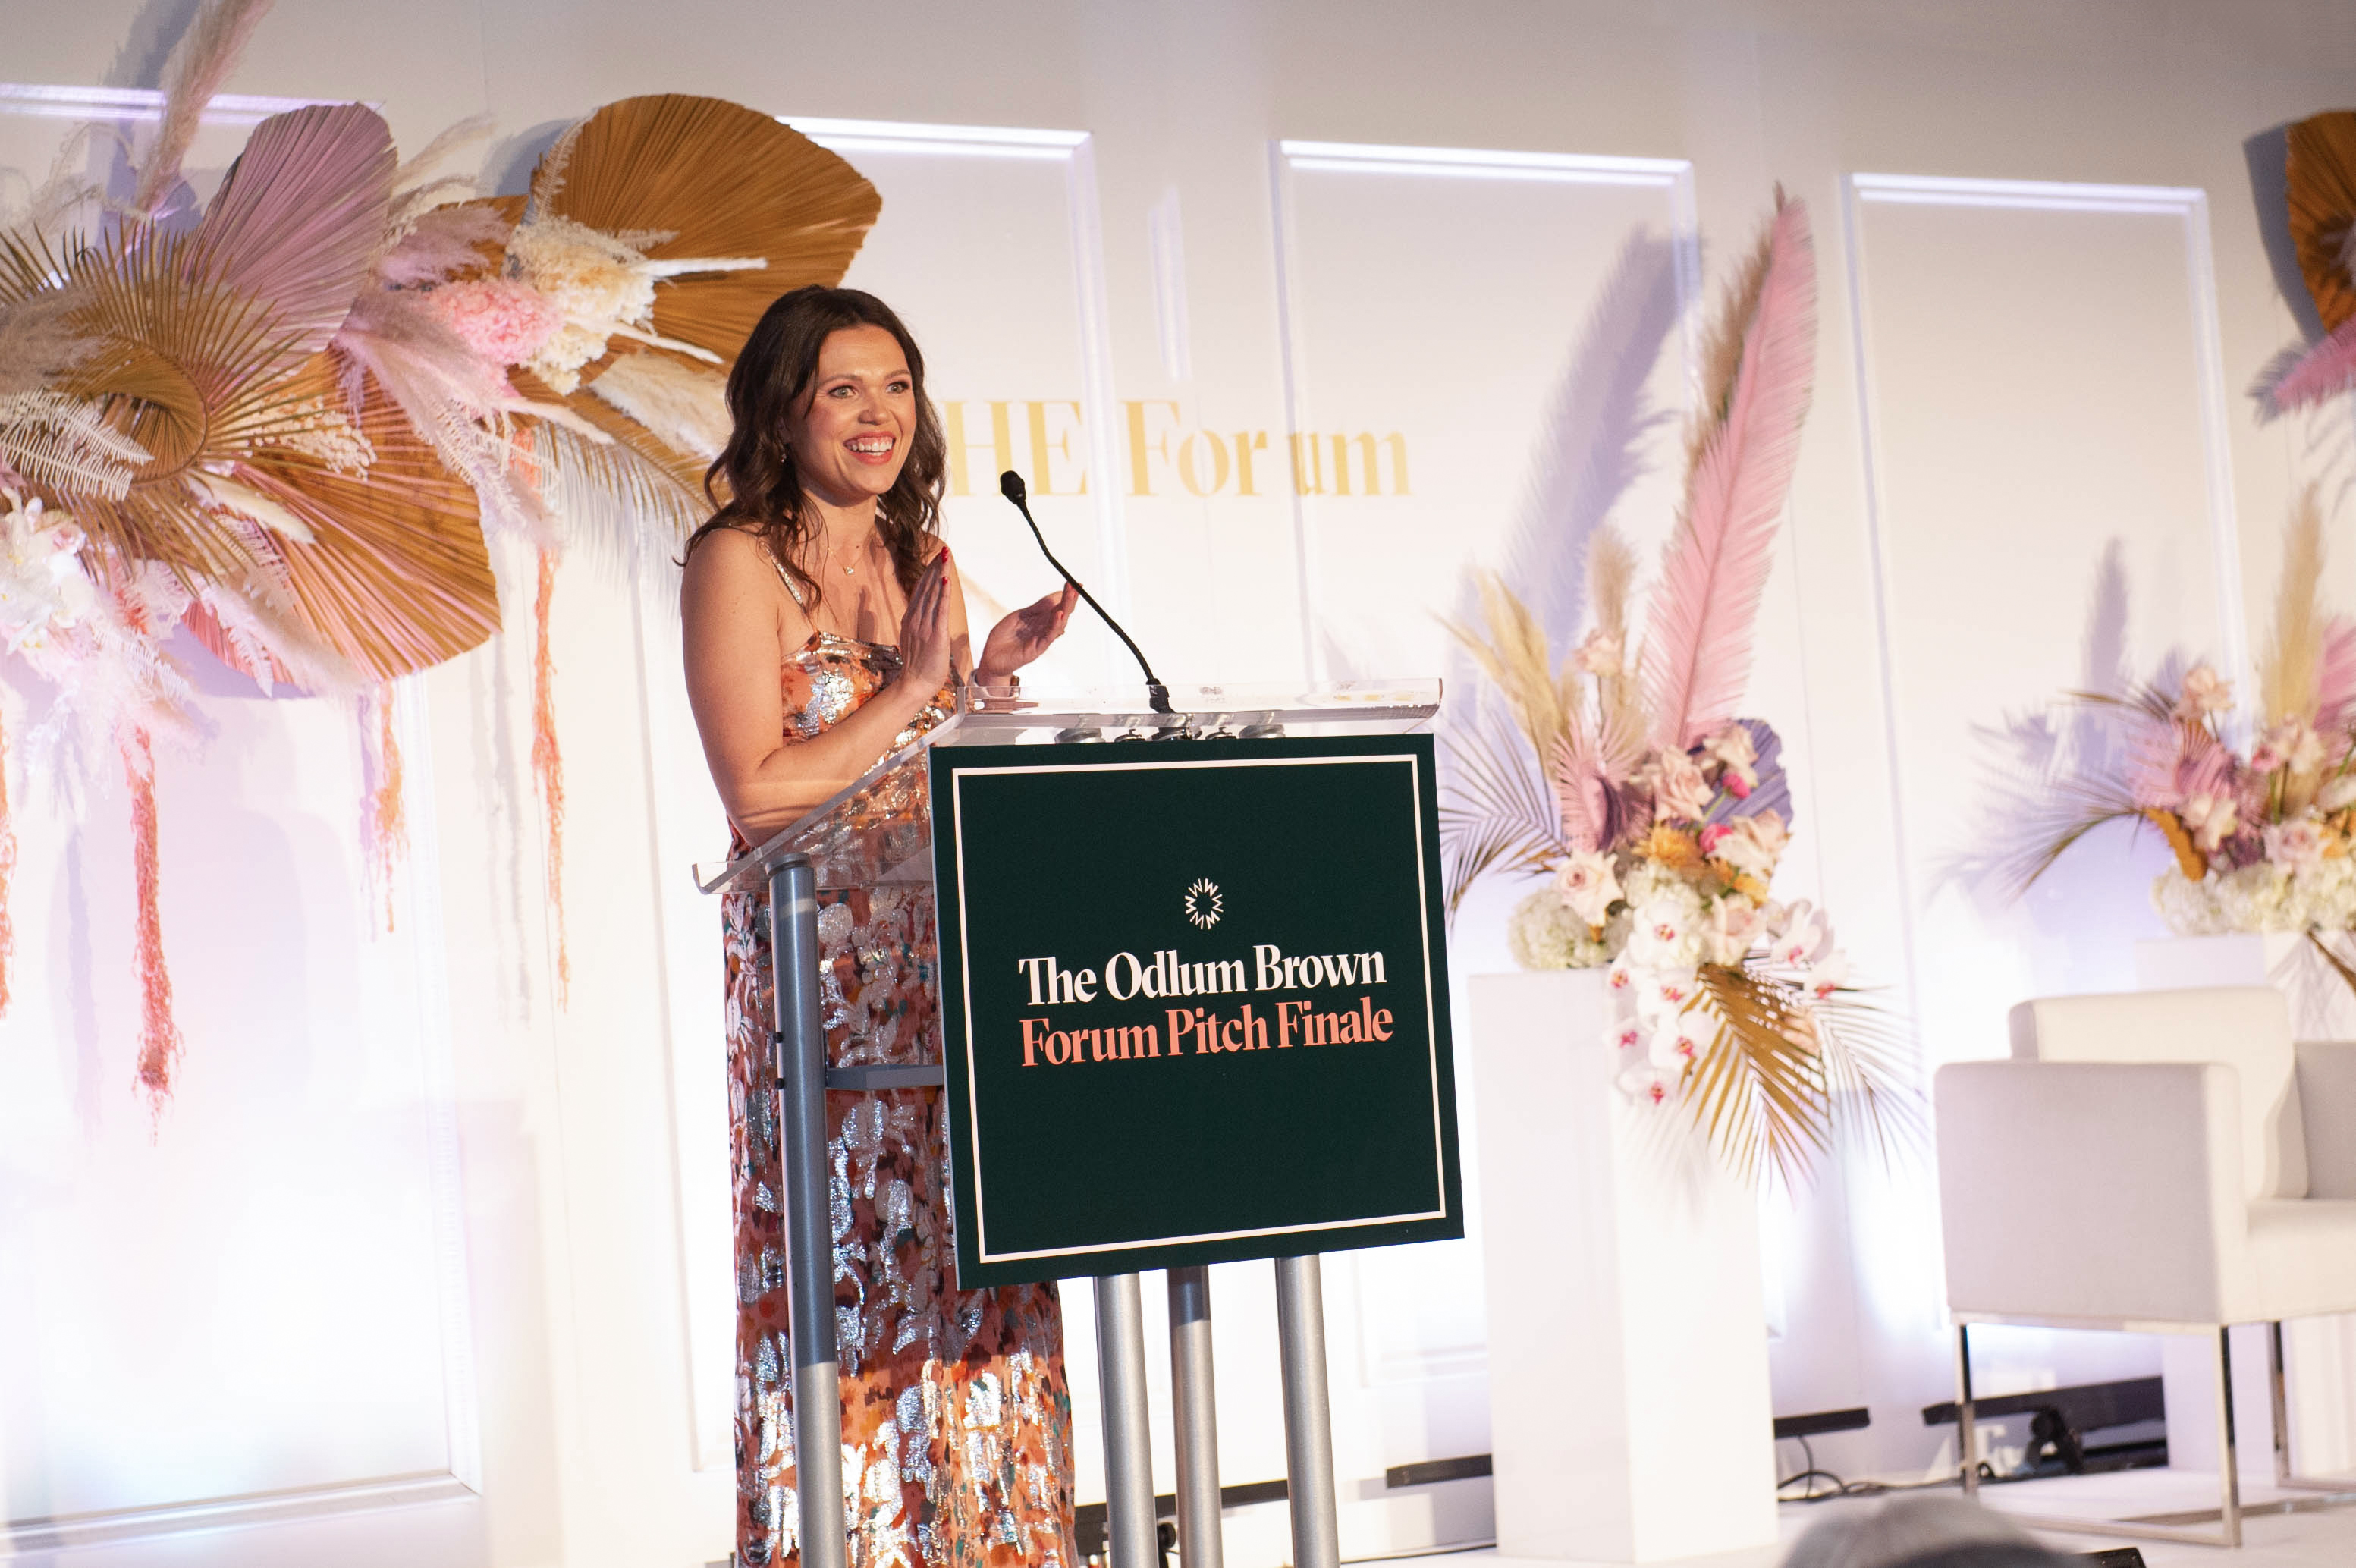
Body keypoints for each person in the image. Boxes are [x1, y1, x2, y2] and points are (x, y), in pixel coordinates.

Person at [680, 284, 1079, 1568]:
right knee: (849, 1296)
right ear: (784, 406)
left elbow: (922, 763)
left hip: (947, 976)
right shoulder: (734, 560)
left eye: (896, 387)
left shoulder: (920, 565)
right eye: (844, 388)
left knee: (976, 1281)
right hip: (823, 986)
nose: (876, 415)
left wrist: (981, 682)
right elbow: (758, 790)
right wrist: (916, 685)